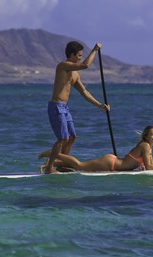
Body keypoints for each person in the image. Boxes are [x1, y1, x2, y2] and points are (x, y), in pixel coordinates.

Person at [43, 41, 110, 174]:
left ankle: (62, 165)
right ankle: (49, 168)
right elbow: (85, 65)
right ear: (72, 55)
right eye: (79, 55)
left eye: (81, 55)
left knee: (72, 137)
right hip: (56, 106)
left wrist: (99, 105)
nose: (80, 57)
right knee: (62, 139)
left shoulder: (75, 74)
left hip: (65, 108)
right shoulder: (63, 66)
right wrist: (94, 50)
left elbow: (84, 92)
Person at [39, 126, 153, 172]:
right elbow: (149, 166)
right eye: (152, 134)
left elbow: (149, 165)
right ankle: (53, 153)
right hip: (110, 163)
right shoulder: (145, 146)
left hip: (113, 162)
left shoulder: (147, 146)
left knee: (80, 167)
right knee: (80, 166)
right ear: (146, 136)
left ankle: (52, 163)